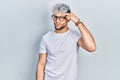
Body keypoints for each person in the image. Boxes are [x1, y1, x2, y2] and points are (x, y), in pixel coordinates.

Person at [36, 3, 96, 80]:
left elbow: (92, 48)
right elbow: (41, 65)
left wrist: (77, 21)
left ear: (68, 19)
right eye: (55, 17)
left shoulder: (75, 36)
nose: (57, 21)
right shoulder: (46, 38)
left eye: (61, 18)